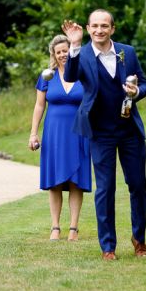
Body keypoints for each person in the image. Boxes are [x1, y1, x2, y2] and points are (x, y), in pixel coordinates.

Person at [62, 10, 146, 260]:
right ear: (88, 29)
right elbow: (69, 76)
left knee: (137, 185)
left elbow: (143, 83)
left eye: (104, 26)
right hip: (100, 132)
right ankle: (108, 246)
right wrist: (75, 44)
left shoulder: (127, 52)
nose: (99, 30)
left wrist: (136, 93)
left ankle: (139, 239)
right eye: (95, 26)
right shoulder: (83, 54)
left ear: (112, 29)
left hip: (129, 130)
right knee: (105, 188)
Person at [28, 35, 91, 241]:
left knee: (76, 181)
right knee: (54, 181)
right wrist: (33, 133)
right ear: (54, 55)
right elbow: (39, 106)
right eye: (59, 52)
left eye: (66, 50)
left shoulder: (83, 74)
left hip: (79, 131)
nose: (63, 55)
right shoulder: (47, 76)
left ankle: (73, 228)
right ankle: (55, 227)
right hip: (54, 133)